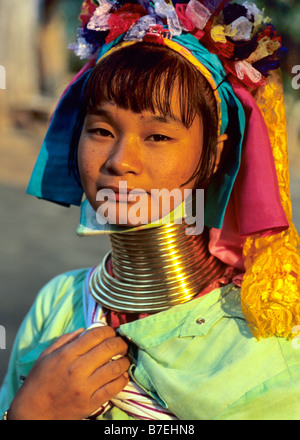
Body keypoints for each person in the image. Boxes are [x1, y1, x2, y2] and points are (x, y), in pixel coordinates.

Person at [1, 0, 300, 420]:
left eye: (158, 136)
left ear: (216, 155)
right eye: (102, 130)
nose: (119, 160)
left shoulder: (266, 344)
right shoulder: (59, 303)